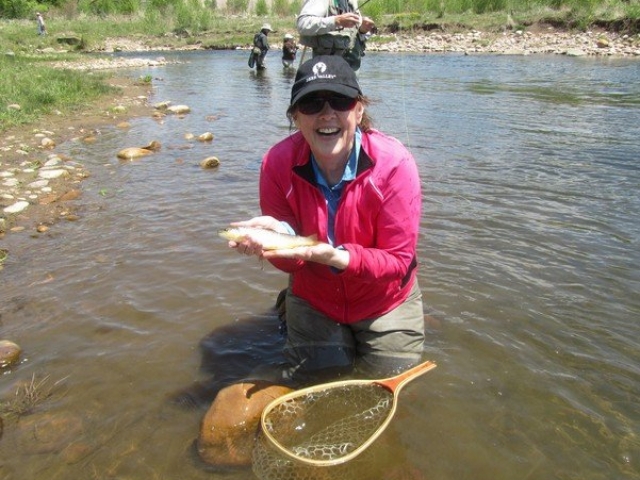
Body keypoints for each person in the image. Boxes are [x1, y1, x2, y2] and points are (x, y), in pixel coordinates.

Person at [225, 55, 425, 385]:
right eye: (312, 103)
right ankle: (292, 308)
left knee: (389, 383)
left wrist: (333, 256)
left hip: (385, 299)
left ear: (358, 111)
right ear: (295, 117)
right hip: (315, 298)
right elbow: (295, 266)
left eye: (340, 101)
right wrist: (280, 241)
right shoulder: (276, 164)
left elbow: (398, 262)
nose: (327, 113)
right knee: (319, 379)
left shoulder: (394, 164)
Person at [296, 0, 375, 71]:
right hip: (322, 73)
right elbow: (303, 24)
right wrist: (335, 21)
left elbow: (353, 36)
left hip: (350, 77)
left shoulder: (352, 2)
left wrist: (362, 30)